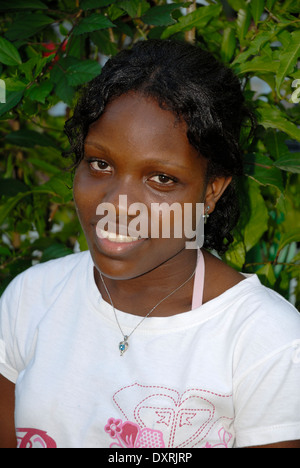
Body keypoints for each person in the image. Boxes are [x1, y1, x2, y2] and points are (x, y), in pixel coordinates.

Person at [0, 39, 299, 449]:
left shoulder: (266, 344)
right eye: (100, 164)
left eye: (161, 178)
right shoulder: (30, 299)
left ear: (212, 189)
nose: (116, 207)